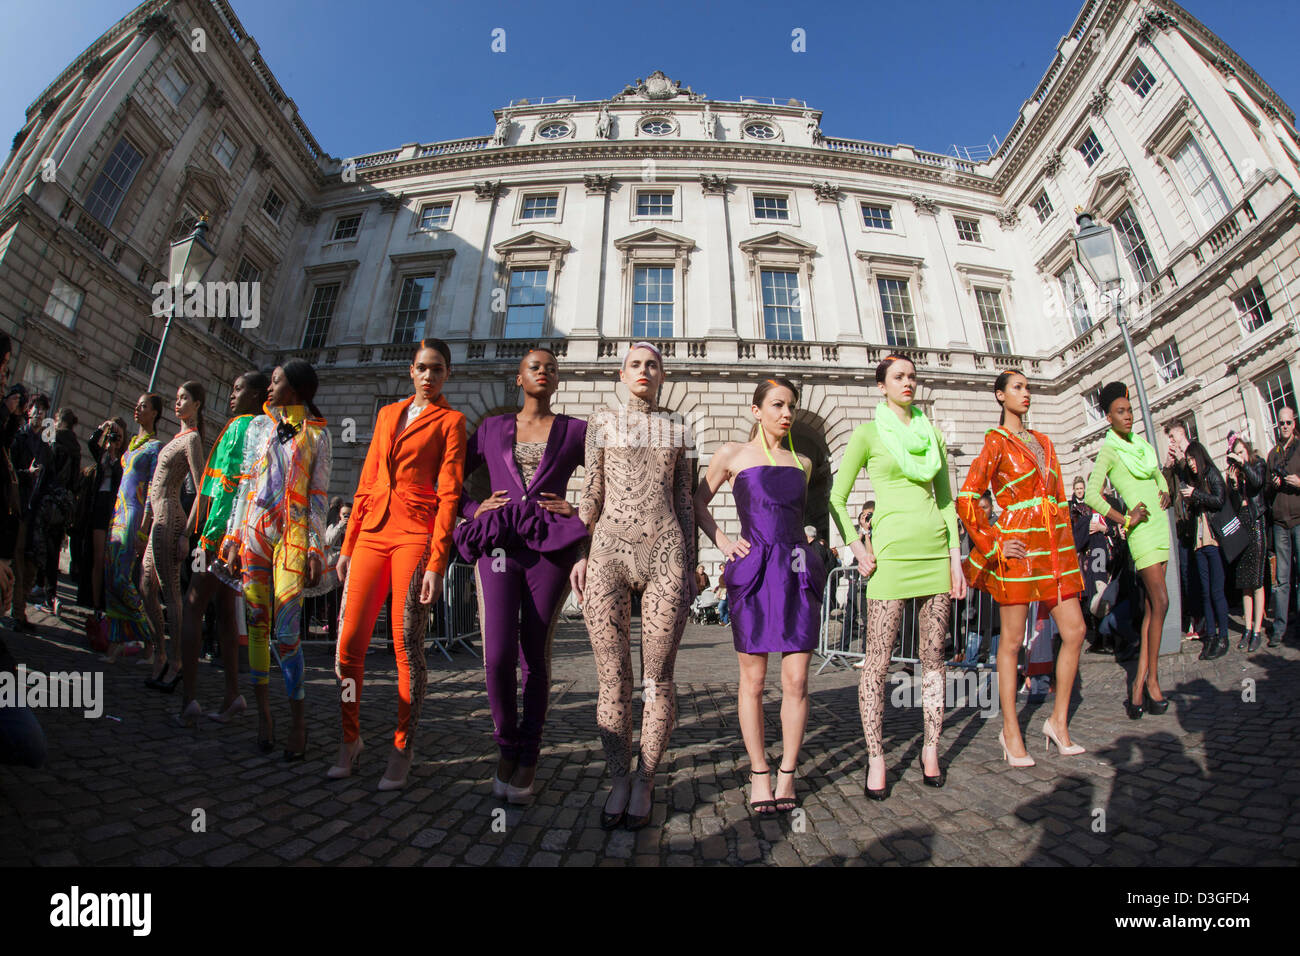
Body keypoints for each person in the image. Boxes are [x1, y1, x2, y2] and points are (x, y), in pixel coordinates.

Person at [570, 342, 695, 830]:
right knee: (612, 678)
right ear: (622, 375)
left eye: (653, 365)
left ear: (663, 375)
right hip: (608, 553)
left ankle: (646, 779)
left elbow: (683, 498)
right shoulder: (600, 422)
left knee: (658, 677)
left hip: (665, 551)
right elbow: (592, 491)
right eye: (636, 365)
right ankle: (618, 778)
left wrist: (690, 564)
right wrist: (578, 552)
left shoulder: (680, 427)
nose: (644, 371)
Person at [829, 355, 965, 798]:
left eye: (911, 377)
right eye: (898, 377)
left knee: (933, 659)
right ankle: (876, 757)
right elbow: (836, 495)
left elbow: (947, 501)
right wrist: (856, 546)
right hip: (889, 559)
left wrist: (955, 559)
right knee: (877, 662)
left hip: (933, 555)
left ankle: (930, 748)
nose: (908, 383)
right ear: (881, 387)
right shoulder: (868, 434)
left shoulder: (933, 435)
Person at [453, 347, 585, 803]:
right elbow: (451, 479)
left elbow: (612, 479)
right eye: (535, 366)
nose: (544, 372)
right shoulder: (491, 428)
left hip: (549, 548)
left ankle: (529, 753)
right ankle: (505, 744)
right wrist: (473, 508)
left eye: (551, 368)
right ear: (519, 377)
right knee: (496, 655)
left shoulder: (574, 430)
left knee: (535, 654)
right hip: (497, 544)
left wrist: (581, 509)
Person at [332, 340, 464, 790]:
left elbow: (449, 493)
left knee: (407, 643)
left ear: (447, 375)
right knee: (349, 642)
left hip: (414, 533)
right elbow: (367, 480)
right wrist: (348, 545)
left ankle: (402, 745)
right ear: (411, 371)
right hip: (371, 531)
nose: (429, 376)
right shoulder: (387, 414)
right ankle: (349, 738)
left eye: (438, 370)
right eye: (423, 368)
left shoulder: (452, 422)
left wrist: (437, 561)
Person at [695, 377, 824, 814]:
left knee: (797, 681)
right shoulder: (732, 454)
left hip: (796, 571)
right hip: (754, 573)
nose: (786, 413)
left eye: (791, 406)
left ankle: (787, 772)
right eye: (777, 405)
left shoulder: (803, 462)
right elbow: (697, 502)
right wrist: (725, 543)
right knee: (752, 681)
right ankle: (758, 772)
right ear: (756, 410)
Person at [957, 370, 1088, 766]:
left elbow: (1061, 501)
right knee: (1011, 643)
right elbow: (967, 498)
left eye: (1028, 387)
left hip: (1052, 551)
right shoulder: (995, 443)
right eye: (1017, 388)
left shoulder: (1046, 442)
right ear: (1000, 396)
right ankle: (1010, 730)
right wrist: (995, 541)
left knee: (1076, 630)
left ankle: (1058, 722)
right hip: (1016, 551)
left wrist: (1067, 551)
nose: (1025, 393)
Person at [222, 361, 332, 760]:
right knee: (256, 626)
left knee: (287, 632)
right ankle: (264, 715)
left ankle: (297, 720)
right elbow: (244, 486)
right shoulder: (257, 428)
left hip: (294, 536)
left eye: (277, 381)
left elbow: (319, 496)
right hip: (254, 531)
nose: (269, 386)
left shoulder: (318, 434)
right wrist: (233, 538)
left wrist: (316, 546)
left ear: (297, 389)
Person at [176, 371, 267, 725]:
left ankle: (189, 700)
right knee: (227, 613)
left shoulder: (238, 427)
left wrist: (200, 536)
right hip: (244, 538)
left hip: (220, 537)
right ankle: (233, 695)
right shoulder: (265, 428)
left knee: (193, 605)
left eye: (238, 389)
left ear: (257, 394)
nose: (231, 395)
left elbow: (223, 489)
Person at [1085, 382, 1172, 718]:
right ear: (1108, 417)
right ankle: (1145, 683)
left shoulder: (1141, 444)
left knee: (1154, 607)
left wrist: (1165, 488)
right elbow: (1093, 495)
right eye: (1120, 412)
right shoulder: (1109, 449)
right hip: (1141, 531)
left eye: (1130, 410)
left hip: (1160, 524)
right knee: (1161, 601)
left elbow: (1155, 474)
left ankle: (1142, 685)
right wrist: (1124, 518)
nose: (1128, 416)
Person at [141, 383, 206, 689]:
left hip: (171, 518)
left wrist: (188, 533)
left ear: (197, 405)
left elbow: (201, 489)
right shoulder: (177, 438)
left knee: (170, 592)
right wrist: (146, 518)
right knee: (145, 586)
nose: (177, 402)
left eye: (184, 398)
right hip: (158, 517)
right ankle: (161, 653)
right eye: (177, 397)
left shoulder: (192, 439)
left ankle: (177, 661)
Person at [105, 394, 164, 661]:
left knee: (122, 578)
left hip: (134, 515)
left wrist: (145, 526)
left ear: (155, 414)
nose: (137, 409)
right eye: (137, 404)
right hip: (118, 513)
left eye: (143, 406)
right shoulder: (130, 446)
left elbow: (153, 488)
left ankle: (151, 637)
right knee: (111, 578)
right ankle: (116, 641)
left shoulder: (155, 447)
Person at [1181, 441, 1231, 661]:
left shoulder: (1211, 473)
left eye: (1192, 459)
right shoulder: (1194, 479)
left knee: (1216, 591)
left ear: (1199, 457)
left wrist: (1196, 495)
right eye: (1188, 460)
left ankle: (1223, 636)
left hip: (1214, 541)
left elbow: (1220, 500)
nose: (1191, 464)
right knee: (1205, 592)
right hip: (1199, 541)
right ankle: (1210, 635)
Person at [75, 418, 126, 623]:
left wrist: (114, 456)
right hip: (98, 508)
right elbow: (90, 443)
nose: (115, 440)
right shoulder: (102, 456)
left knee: (109, 561)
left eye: (119, 437)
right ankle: (96, 604)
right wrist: (104, 427)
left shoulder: (122, 460)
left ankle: (108, 605)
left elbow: (119, 478)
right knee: (97, 558)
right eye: (114, 436)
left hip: (114, 511)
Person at [9, 392, 50, 631]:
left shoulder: (45, 442)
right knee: (17, 558)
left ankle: (19, 609)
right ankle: (18, 612)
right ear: (29, 412)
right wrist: (28, 473)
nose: (39, 415)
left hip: (38, 510)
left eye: (43, 411)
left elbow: (51, 471)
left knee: (31, 561)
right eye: (35, 410)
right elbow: (11, 469)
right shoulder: (20, 437)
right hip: (20, 506)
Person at [1226, 436, 1267, 651]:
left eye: (1242, 452)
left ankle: (1258, 630)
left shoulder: (1257, 464)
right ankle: (1248, 629)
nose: (1239, 456)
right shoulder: (1235, 474)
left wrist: (1244, 464)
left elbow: (1258, 482)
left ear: (1247, 451)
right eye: (1236, 453)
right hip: (1241, 528)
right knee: (1245, 583)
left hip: (1256, 524)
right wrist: (1233, 485)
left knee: (1257, 581)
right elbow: (1231, 504)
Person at [1266, 405, 1300, 647]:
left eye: (1287, 422)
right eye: (1281, 423)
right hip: (1280, 523)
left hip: (1299, 519)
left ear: (1294, 424)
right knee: (1282, 579)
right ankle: (1279, 628)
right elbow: (1267, 489)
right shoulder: (1273, 453)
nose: (1284, 427)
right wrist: (1274, 483)